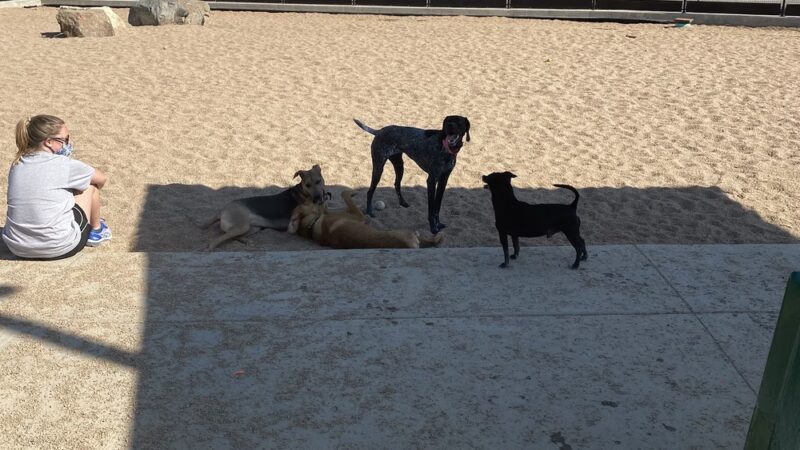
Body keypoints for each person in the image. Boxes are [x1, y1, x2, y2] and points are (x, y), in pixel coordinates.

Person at [2, 115, 111, 260]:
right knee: (90, 186)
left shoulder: (17, 164)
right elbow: (101, 179)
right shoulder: (64, 164)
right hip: (59, 246)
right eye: (64, 140)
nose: (68, 144)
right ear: (48, 142)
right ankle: (96, 231)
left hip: (17, 247)